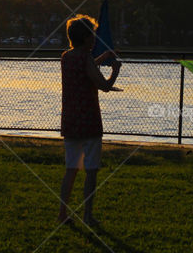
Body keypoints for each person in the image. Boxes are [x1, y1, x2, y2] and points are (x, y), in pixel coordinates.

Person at [58, 14, 120, 227]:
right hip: (89, 122)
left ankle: (62, 213)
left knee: (71, 169)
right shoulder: (84, 59)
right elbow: (103, 85)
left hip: (70, 121)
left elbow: (85, 69)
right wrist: (115, 72)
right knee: (91, 170)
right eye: (92, 35)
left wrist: (101, 58)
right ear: (86, 38)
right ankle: (87, 215)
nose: (94, 38)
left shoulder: (66, 57)